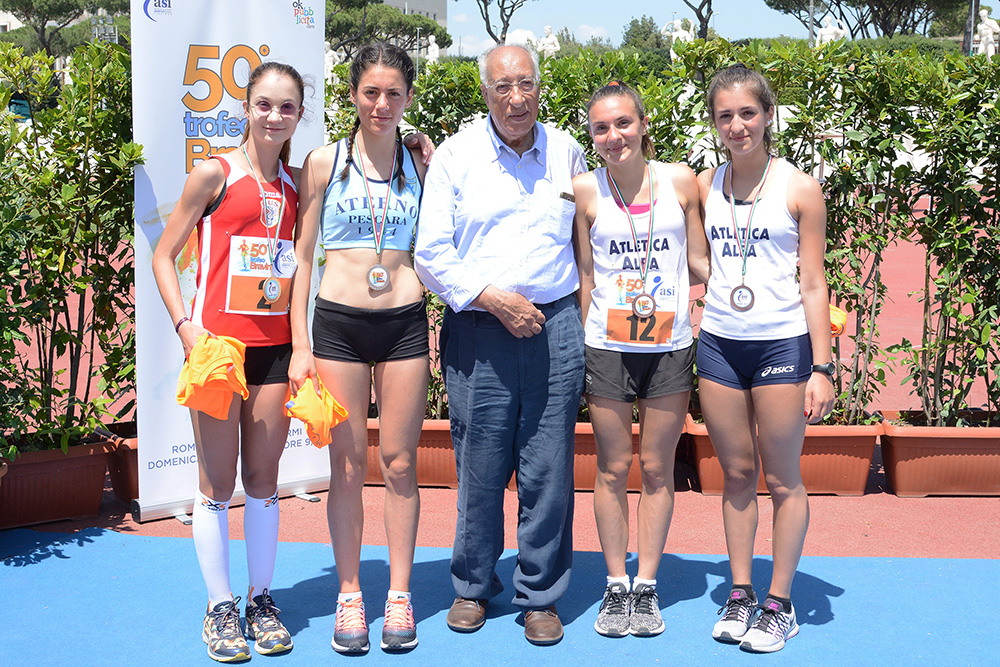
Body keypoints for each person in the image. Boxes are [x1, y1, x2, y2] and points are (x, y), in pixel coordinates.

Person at [414, 43, 586, 646]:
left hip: (555, 326)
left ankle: (540, 594)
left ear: (540, 87)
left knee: (548, 468)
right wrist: (492, 298)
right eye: (502, 87)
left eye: (526, 84)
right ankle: (471, 586)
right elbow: (431, 252)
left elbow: (582, 240)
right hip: (480, 327)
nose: (516, 98)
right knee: (479, 467)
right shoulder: (456, 156)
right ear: (485, 93)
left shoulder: (566, 151)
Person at [152, 61, 305, 662]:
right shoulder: (213, 174)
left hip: (274, 354)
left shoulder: (297, 185)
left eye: (286, 107)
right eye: (264, 104)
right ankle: (220, 608)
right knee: (217, 484)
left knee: (264, 482)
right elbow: (164, 256)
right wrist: (185, 326)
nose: (274, 116)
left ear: (299, 115)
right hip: (218, 350)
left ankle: (261, 600)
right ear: (245, 107)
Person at [288, 42, 429, 655]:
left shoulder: (421, 160)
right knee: (345, 467)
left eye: (394, 93)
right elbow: (301, 258)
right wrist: (300, 343)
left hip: (404, 324)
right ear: (352, 95)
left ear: (408, 98)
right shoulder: (323, 162)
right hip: (338, 326)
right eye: (370, 92)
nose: (381, 104)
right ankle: (350, 593)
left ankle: (399, 594)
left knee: (399, 463)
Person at [689, 64, 835, 654]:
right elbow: (696, 259)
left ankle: (780, 603)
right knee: (736, 475)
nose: (737, 125)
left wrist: (823, 368)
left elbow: (814, 283)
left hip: (781, 344)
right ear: (714, 122)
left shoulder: (800, 189)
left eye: (748, 113)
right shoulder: (704, 185)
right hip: (720, 345)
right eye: (725, 115)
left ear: (768, 115)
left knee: (781, 478)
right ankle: (741, 592)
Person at [572, 81, 701, 638]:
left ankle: (646, 585)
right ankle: (615, 582)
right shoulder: (585, 189)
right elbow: (586, 275)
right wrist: (587, 337)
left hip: (669, 345)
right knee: (611, 466)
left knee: (655, 467)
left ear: (643, 124)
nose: (614, 136)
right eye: (601, 127)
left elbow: (700, 260)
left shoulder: (680, 181)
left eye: (623, 123)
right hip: (608, 346)